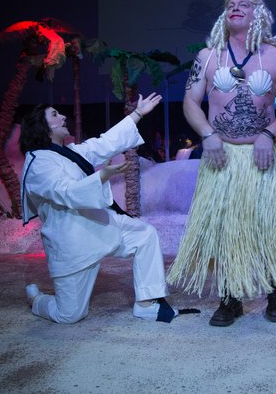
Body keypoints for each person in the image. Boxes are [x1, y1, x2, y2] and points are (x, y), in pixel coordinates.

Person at [167, 0, 276, 326]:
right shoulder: (207, 57)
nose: (235, 8)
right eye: (230, 4)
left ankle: (275, 290)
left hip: (262, 155)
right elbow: (190, 102)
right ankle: (230, 297)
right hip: (221, 157)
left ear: (258, 14)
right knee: (225, 226)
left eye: (244, 4)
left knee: (266, 224)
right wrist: (207, 134)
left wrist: (269, 134)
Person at [19, 93, 178, 324]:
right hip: (73, 243)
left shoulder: (70, 152)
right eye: (55, 114)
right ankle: (36, 300)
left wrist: (138, 113)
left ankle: (146, 303)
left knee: (145, 234)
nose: (63, 117)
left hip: (99, 226)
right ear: (41, 126)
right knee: (69, 315)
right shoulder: (37, 163)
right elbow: (65, 192)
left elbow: (105, 142)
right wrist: (102, 176)